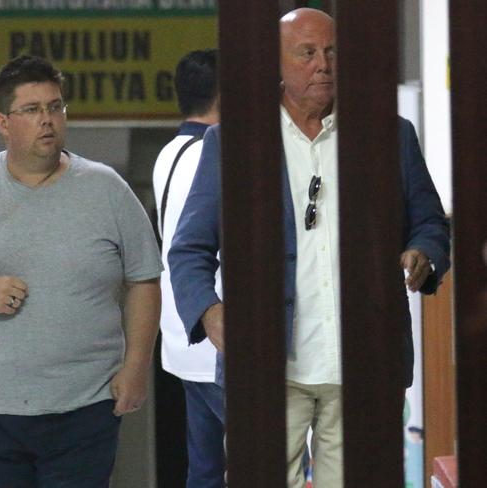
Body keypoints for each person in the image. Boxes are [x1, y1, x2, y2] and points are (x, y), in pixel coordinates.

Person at [168, 8, 450, 488]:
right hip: (268, 367)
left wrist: (423, 251)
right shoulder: (236, 142)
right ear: (276, 64)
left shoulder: (388, 135)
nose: (323, 64)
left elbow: (429, 222)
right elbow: (188, 249)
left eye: (332, 51)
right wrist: (210, 315)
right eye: (307, 53)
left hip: (363, 362)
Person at [0, 55, 162, 488]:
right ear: (3, 122)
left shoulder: (106, 188)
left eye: (55, 107)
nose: (47, 120)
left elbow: (143, 280)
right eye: (32, 110)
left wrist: (136, 366)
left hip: (85, 401)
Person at [152, 49, 225, 488]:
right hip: (218, 333)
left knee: (204, 470)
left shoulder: (169, 152)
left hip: (183, 339)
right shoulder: (213, 156)